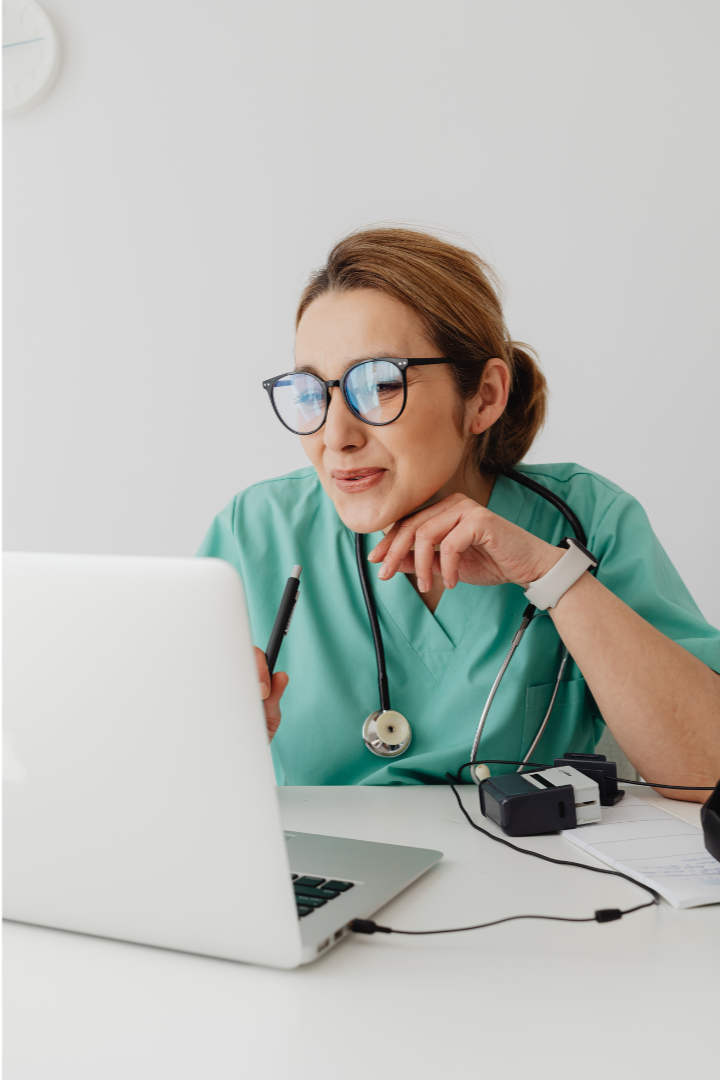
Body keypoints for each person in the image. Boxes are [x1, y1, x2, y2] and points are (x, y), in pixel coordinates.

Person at [198, 227, 720, 801]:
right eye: (310, 392)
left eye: (376, 385)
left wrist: (554, 579)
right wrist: (215, 748)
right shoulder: (256, 531)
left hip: (532, 875)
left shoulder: (585, 521)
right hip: (332, 877)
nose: (335, 436)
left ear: (485, 396)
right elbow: (150, 782)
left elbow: (708, 771)